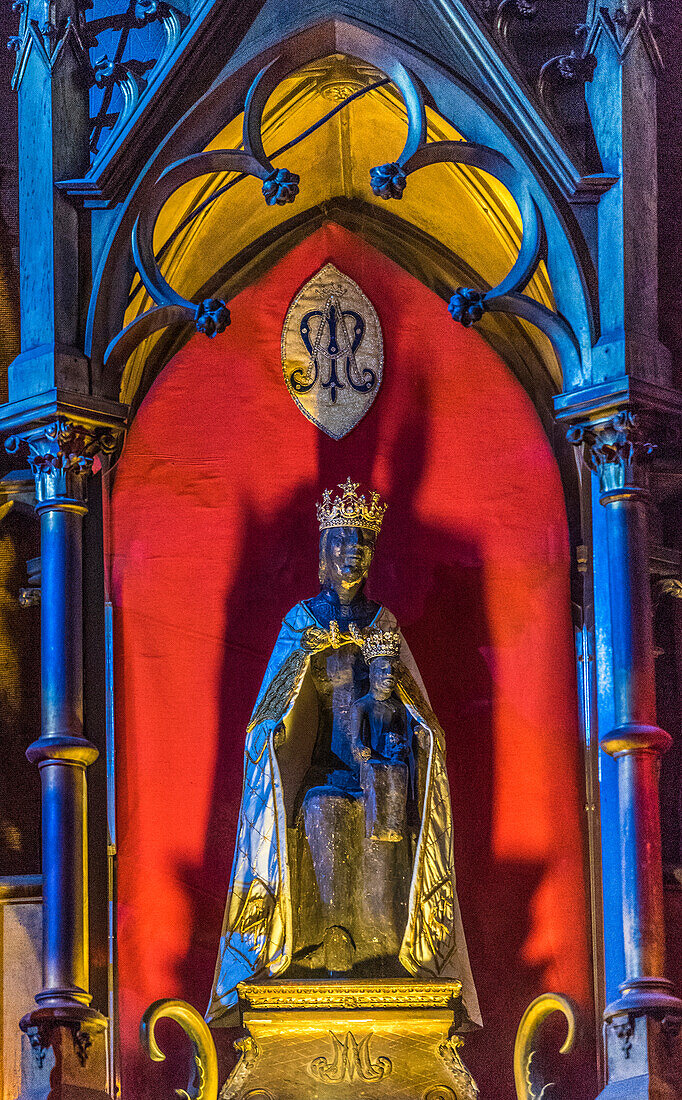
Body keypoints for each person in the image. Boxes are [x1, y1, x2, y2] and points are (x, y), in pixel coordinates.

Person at [206, 480, 480, 1029]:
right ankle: (330, 943)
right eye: (342, 543)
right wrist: (305, 661)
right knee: (323, 810)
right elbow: (267, 718)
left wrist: (404, 734)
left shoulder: (384, 624)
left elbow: (419, 713)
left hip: (378, 768)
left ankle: (382, 951)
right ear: (324, 555)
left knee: (383, 822)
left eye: (362, 544)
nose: (352, 553)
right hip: (321, 769)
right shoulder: (302, 622)